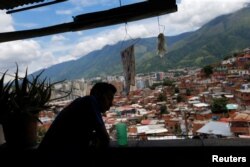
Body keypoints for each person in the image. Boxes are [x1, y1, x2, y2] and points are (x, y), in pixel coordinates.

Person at [37, 82, 117, 166]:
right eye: (109, 98)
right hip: (55, 160)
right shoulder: (90, 101)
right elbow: (104, 138)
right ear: (98, 94)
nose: (111, 104)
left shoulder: (81, 103)